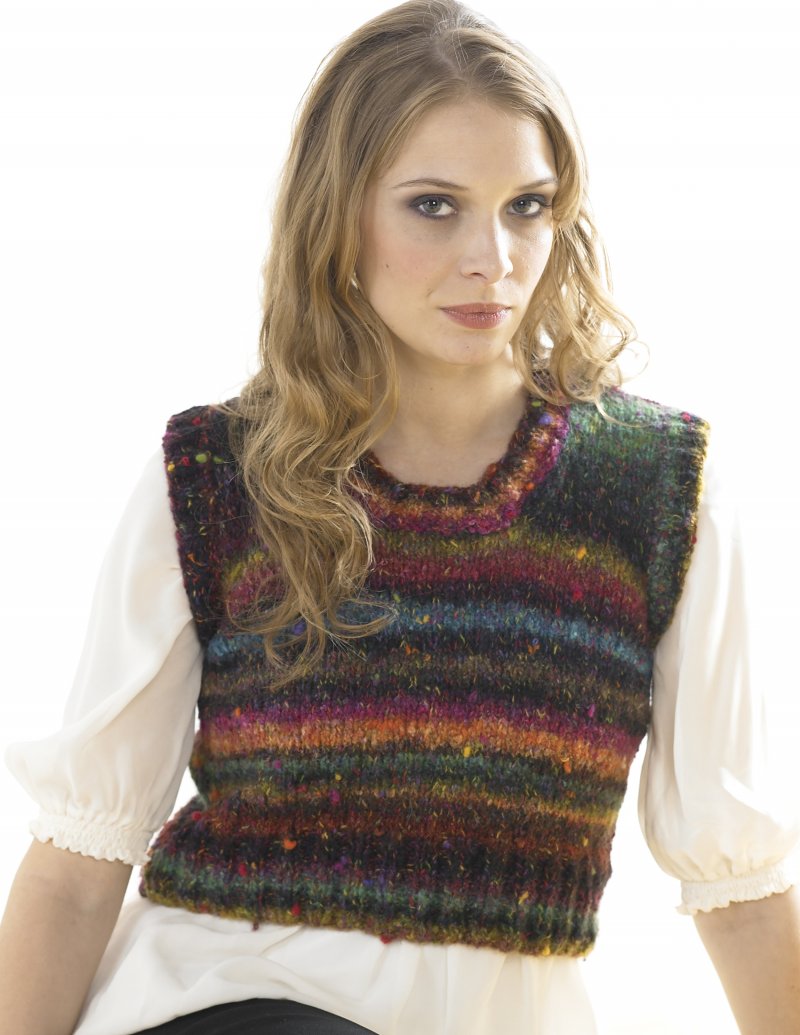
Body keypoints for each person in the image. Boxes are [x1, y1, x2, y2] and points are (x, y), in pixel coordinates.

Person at [1, 1, 798, 1032]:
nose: (491, 257)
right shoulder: (218, 476)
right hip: (228, 1001)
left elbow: (739, 885)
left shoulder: (654, 488)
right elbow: (79, 865)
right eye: (433, 206)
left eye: (526, 206)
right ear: (340, 215)